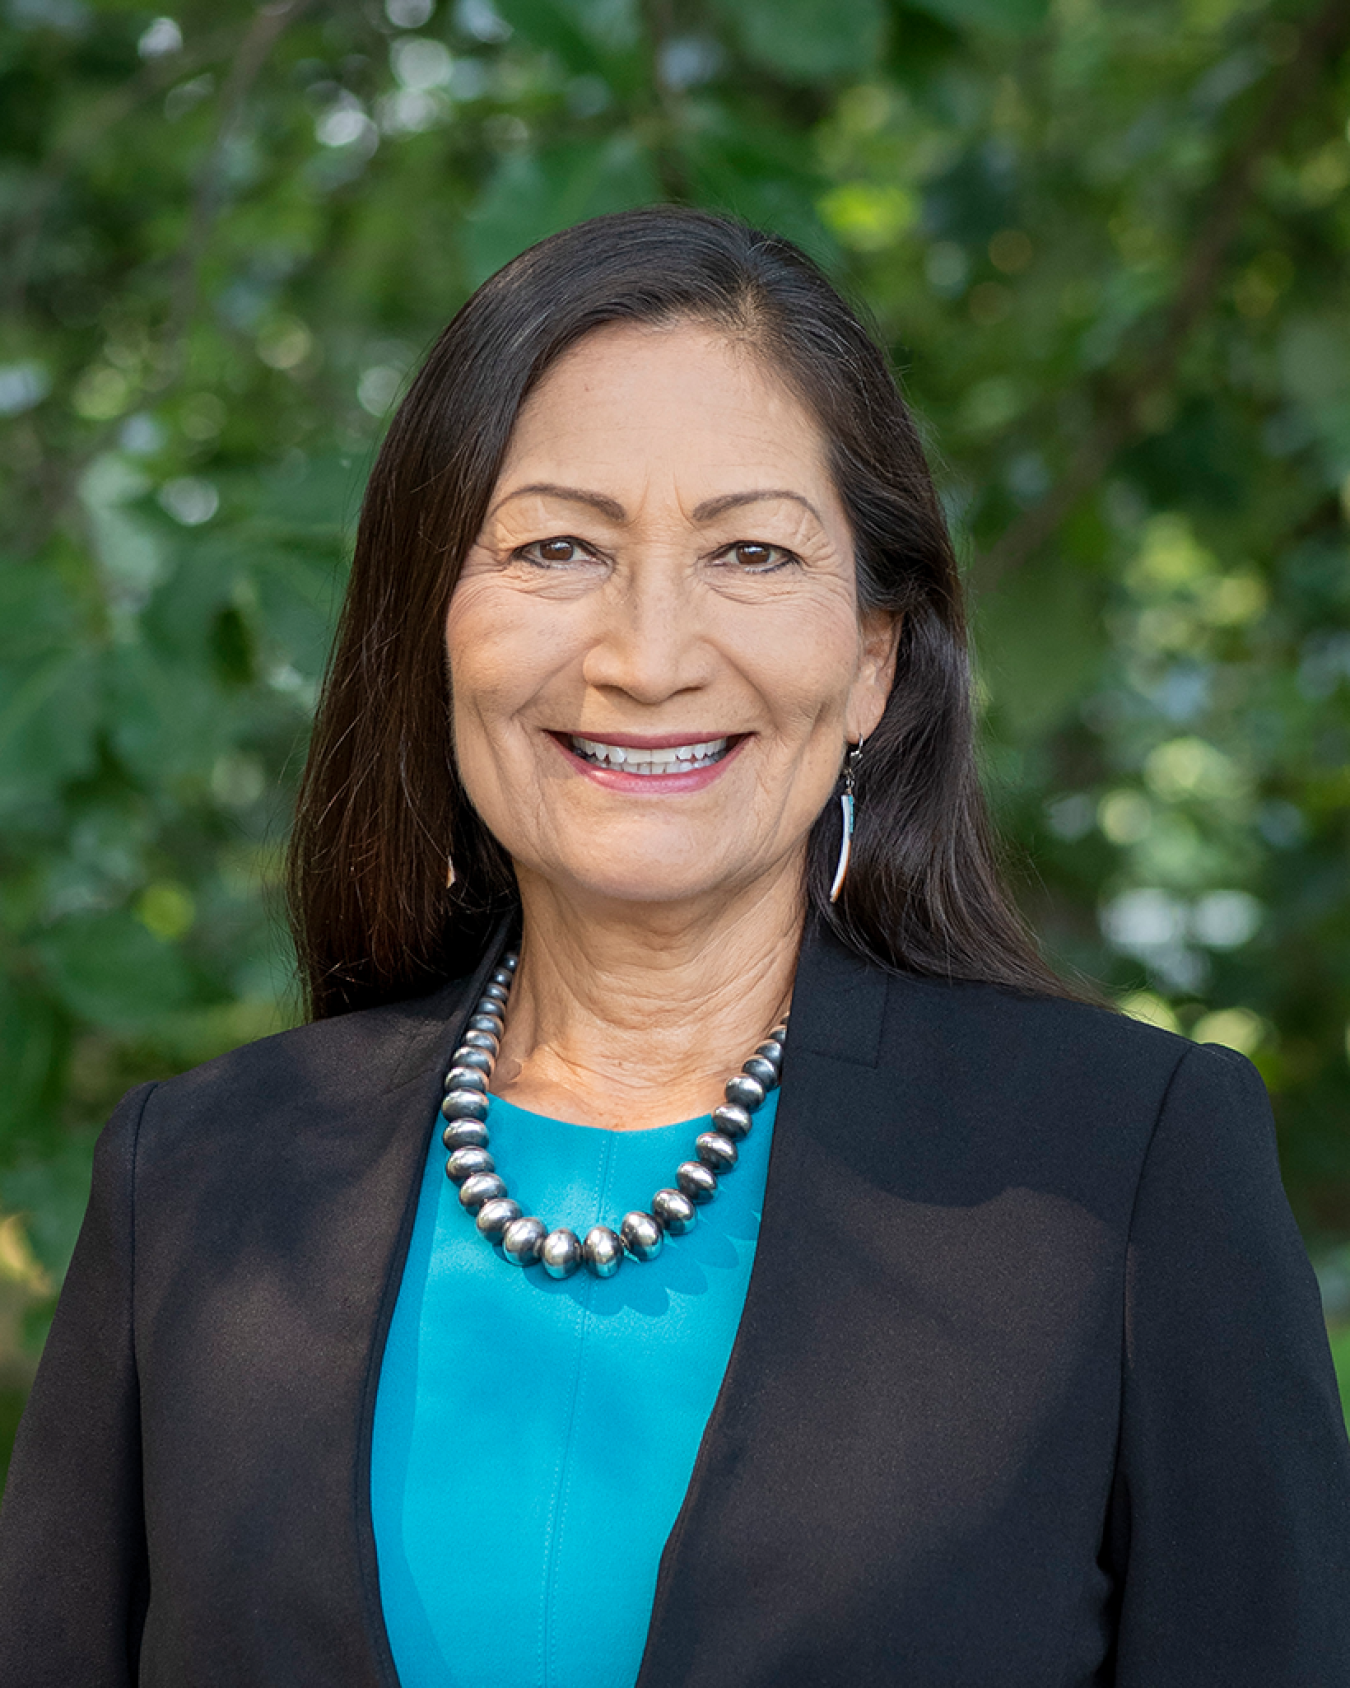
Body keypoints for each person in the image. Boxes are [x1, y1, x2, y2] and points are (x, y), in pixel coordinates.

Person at [1, 206, 1347, 1688]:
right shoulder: (195, 1180)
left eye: (751, 552)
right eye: (557, 547)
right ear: (433, 625)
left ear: (870, 663)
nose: (646, 656)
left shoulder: (1120, 1172)